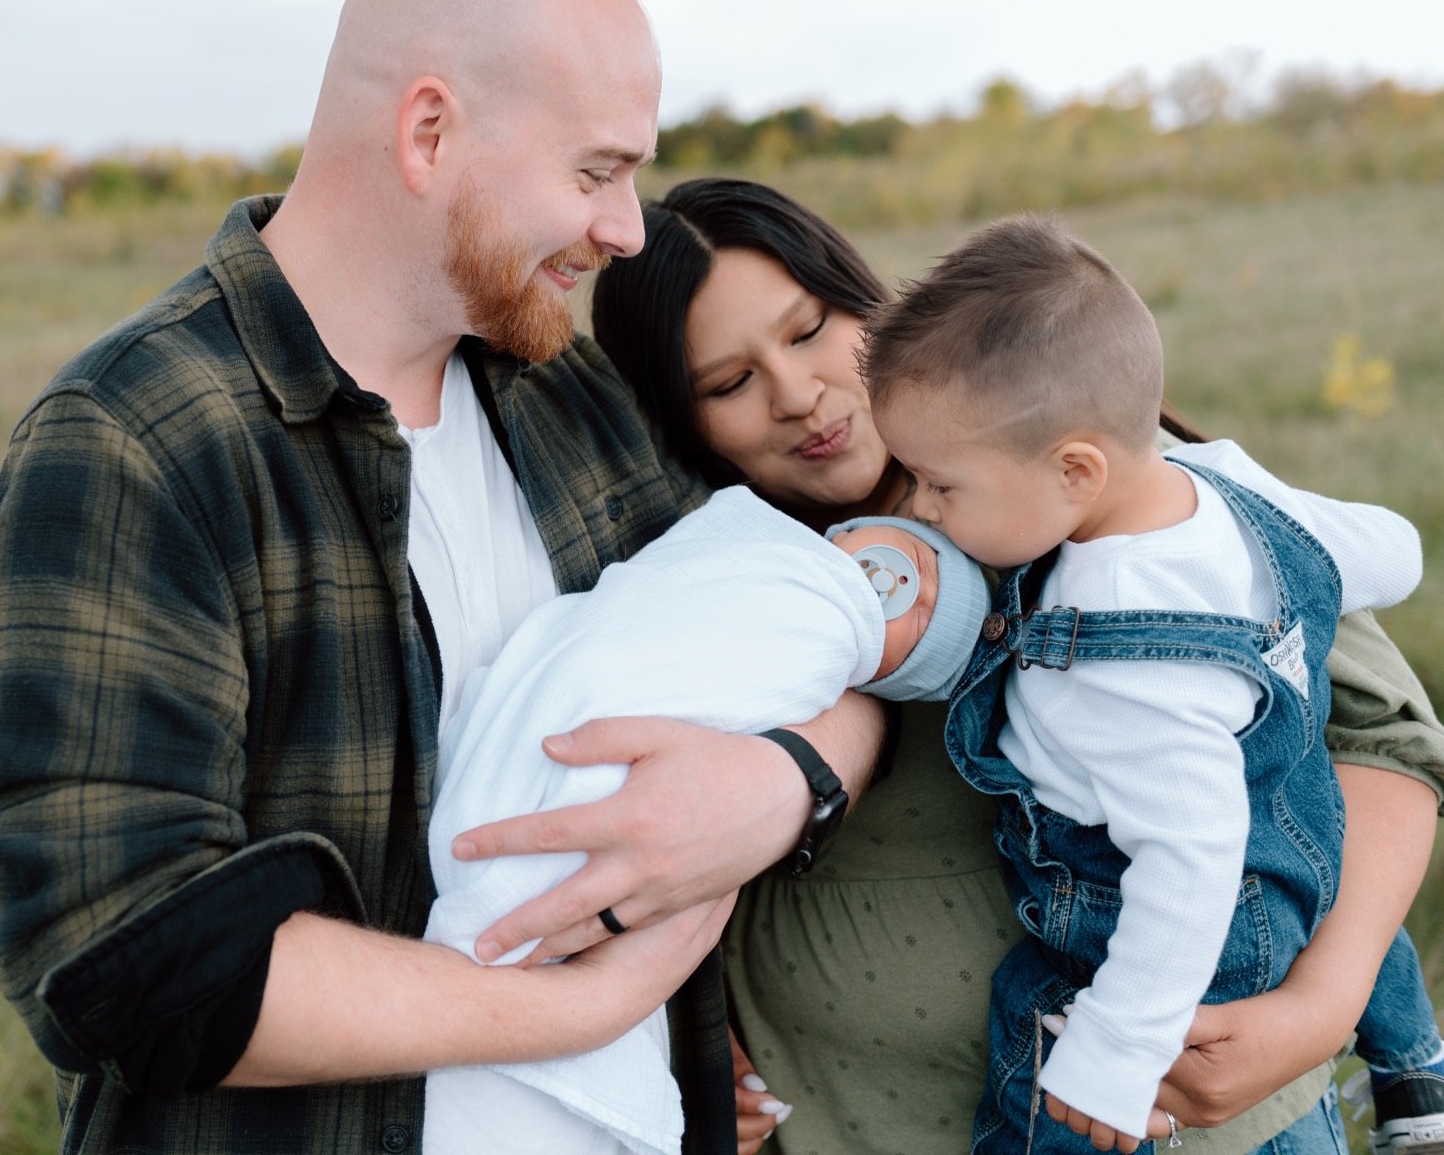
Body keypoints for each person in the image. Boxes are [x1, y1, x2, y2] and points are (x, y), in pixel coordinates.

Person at [0, 0, 883, 1154]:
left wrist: (786, 779)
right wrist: (563, 1004)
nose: (628, 229)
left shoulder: (576, 400)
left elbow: (826, 628)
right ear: (430, 130)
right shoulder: (137, 437)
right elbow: (119, 954)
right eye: (596, 171)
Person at [589, 178, 1444, 1155]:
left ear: (865, 300)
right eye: (728, 383)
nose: (796, 394)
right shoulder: (702, 577)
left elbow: (1383, 735)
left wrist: (1325, 1003)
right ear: (679, 418)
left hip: (1181, 1108)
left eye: (810, 328)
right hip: (853, 1117)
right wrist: (690, 1025)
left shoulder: (1086, 479)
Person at [859, 213, 1440, 1153]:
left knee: (1038, 1032)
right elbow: (1390, 551)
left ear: (1075, 469)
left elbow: (1189, 854)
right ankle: (1419, 1072)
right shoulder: (1223, 484)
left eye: (938, 484)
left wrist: (1119, 1048)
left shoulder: (1116, 667)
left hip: (1169, 921)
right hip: (1295, 841)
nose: (921, 505)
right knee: (1315, 859)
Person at [422, 494, 991, 1155]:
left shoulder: (828, 645)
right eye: (921, 572)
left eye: (920, 629)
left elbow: (745, 691)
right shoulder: (741, 537)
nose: (895, 595)